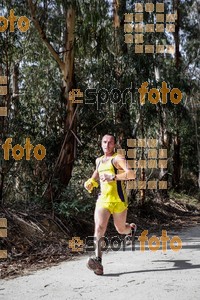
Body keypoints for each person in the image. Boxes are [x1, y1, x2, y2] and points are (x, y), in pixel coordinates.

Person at [84, 134, 136, 275]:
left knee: (120, 229)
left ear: (114, 145)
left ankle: (130, 230)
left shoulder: (117, 158)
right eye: (104, 142)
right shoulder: (99, 161)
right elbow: (97, 174)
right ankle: (98, 262)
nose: (107, 145)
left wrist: (113, 176)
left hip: (119, 200)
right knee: (99, 228)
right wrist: (90, 183)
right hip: (104, 200)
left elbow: (131, 174)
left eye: (110, 142)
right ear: (101, 143)